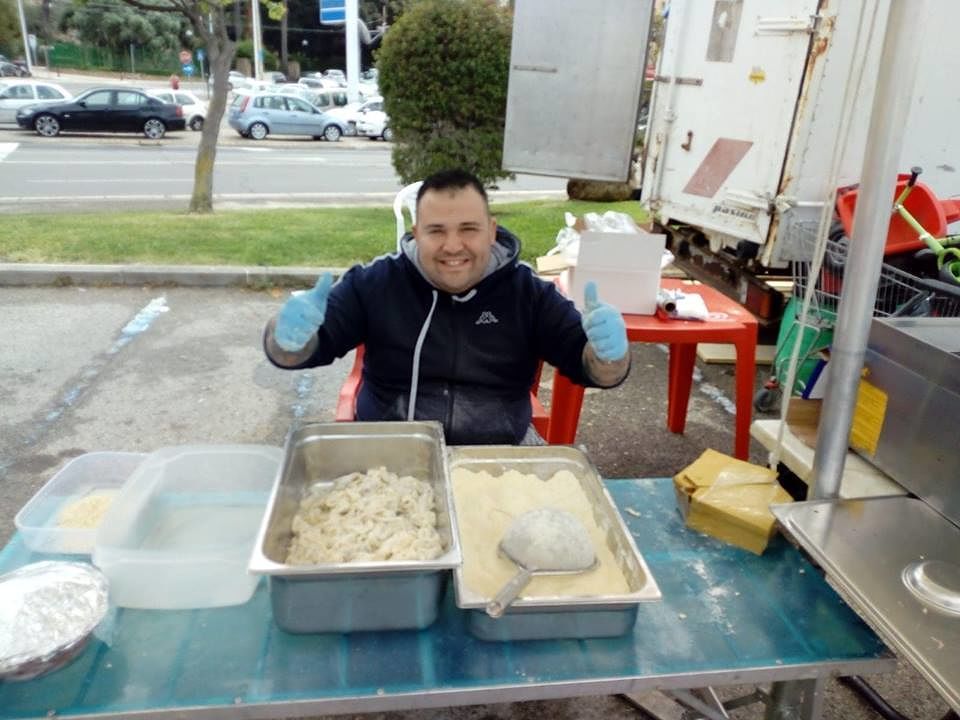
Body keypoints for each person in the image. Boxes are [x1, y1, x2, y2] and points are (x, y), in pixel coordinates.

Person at [263, 168, 630, 445]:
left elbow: (591, 367)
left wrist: (608, 356)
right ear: (416, 233)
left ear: (491, 231)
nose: (453, 246)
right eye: (436, 230)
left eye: (468, 229)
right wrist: (286, 338)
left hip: (499, 451)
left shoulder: (529, 293)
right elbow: (299, 352)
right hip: (388, 447)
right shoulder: (374, 283)